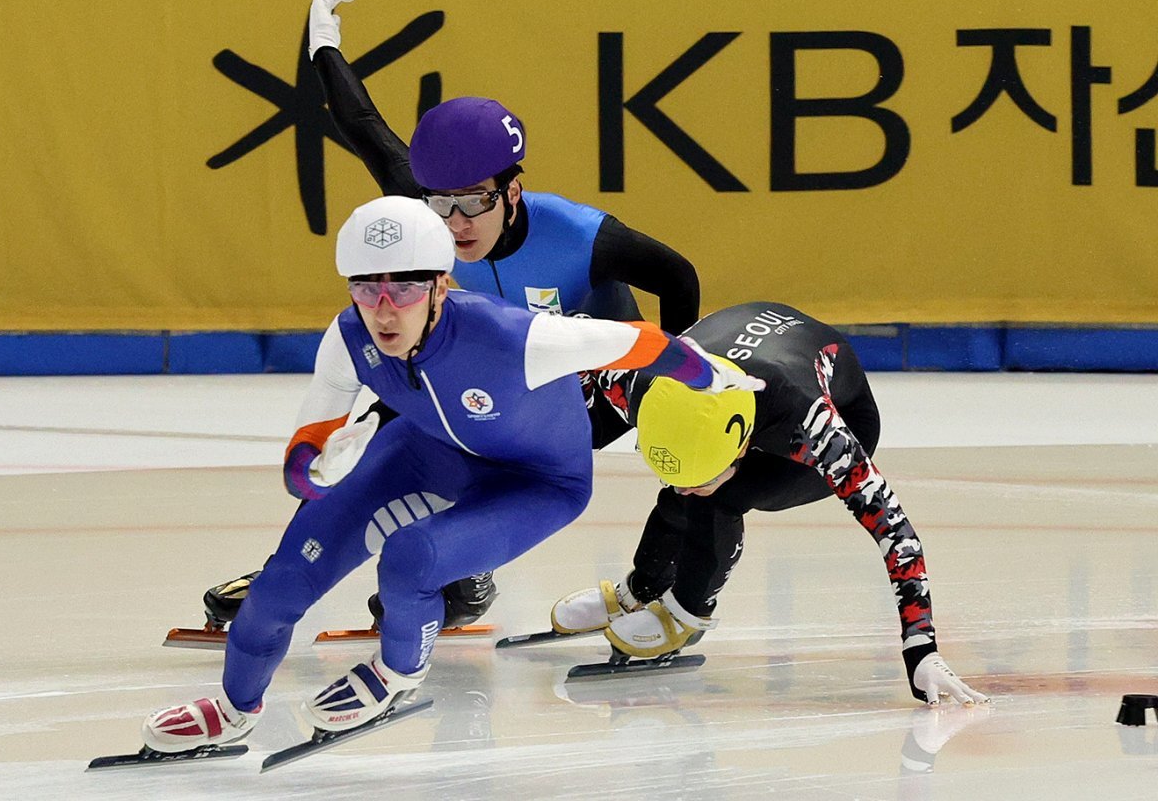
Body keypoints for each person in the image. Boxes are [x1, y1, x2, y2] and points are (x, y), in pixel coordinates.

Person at [141, 196, 761, 752]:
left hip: (536, 482)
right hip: (428, 450)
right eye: (366, 287)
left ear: (441, 285)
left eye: (405, 288)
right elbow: (305, 453)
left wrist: (714, 376)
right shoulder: (349, 335)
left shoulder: (516, 338)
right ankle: (234, 709)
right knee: (280, 584)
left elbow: (642, 342)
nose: (384, 309)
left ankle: (398, 674)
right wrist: (318, 471)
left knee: (411, 558)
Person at [197, 0, 703, 629]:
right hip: (503, 364)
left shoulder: (582, 238)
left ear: (511, 195)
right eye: (443, 206)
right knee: (377, 426)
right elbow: (362, 126)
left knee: (496, 443)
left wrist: (671, 384)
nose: (456, 224)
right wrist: (324, 42)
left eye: (474, 205)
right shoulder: (432, 207)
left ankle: (612, 586)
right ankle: (295, 572)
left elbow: (680, 276)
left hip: (602, 377)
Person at [551, 301, 988, 706]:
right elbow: (578, 333)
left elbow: (895, 531)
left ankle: (687, 611)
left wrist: (922, 649)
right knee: (688, 496)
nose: (683, 487)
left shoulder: (816, 431)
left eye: (697, 474)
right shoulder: (636, 378)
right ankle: (641, 588)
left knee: (718, 498)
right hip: (738, 368)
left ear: (741, 447)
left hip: (837, 406)